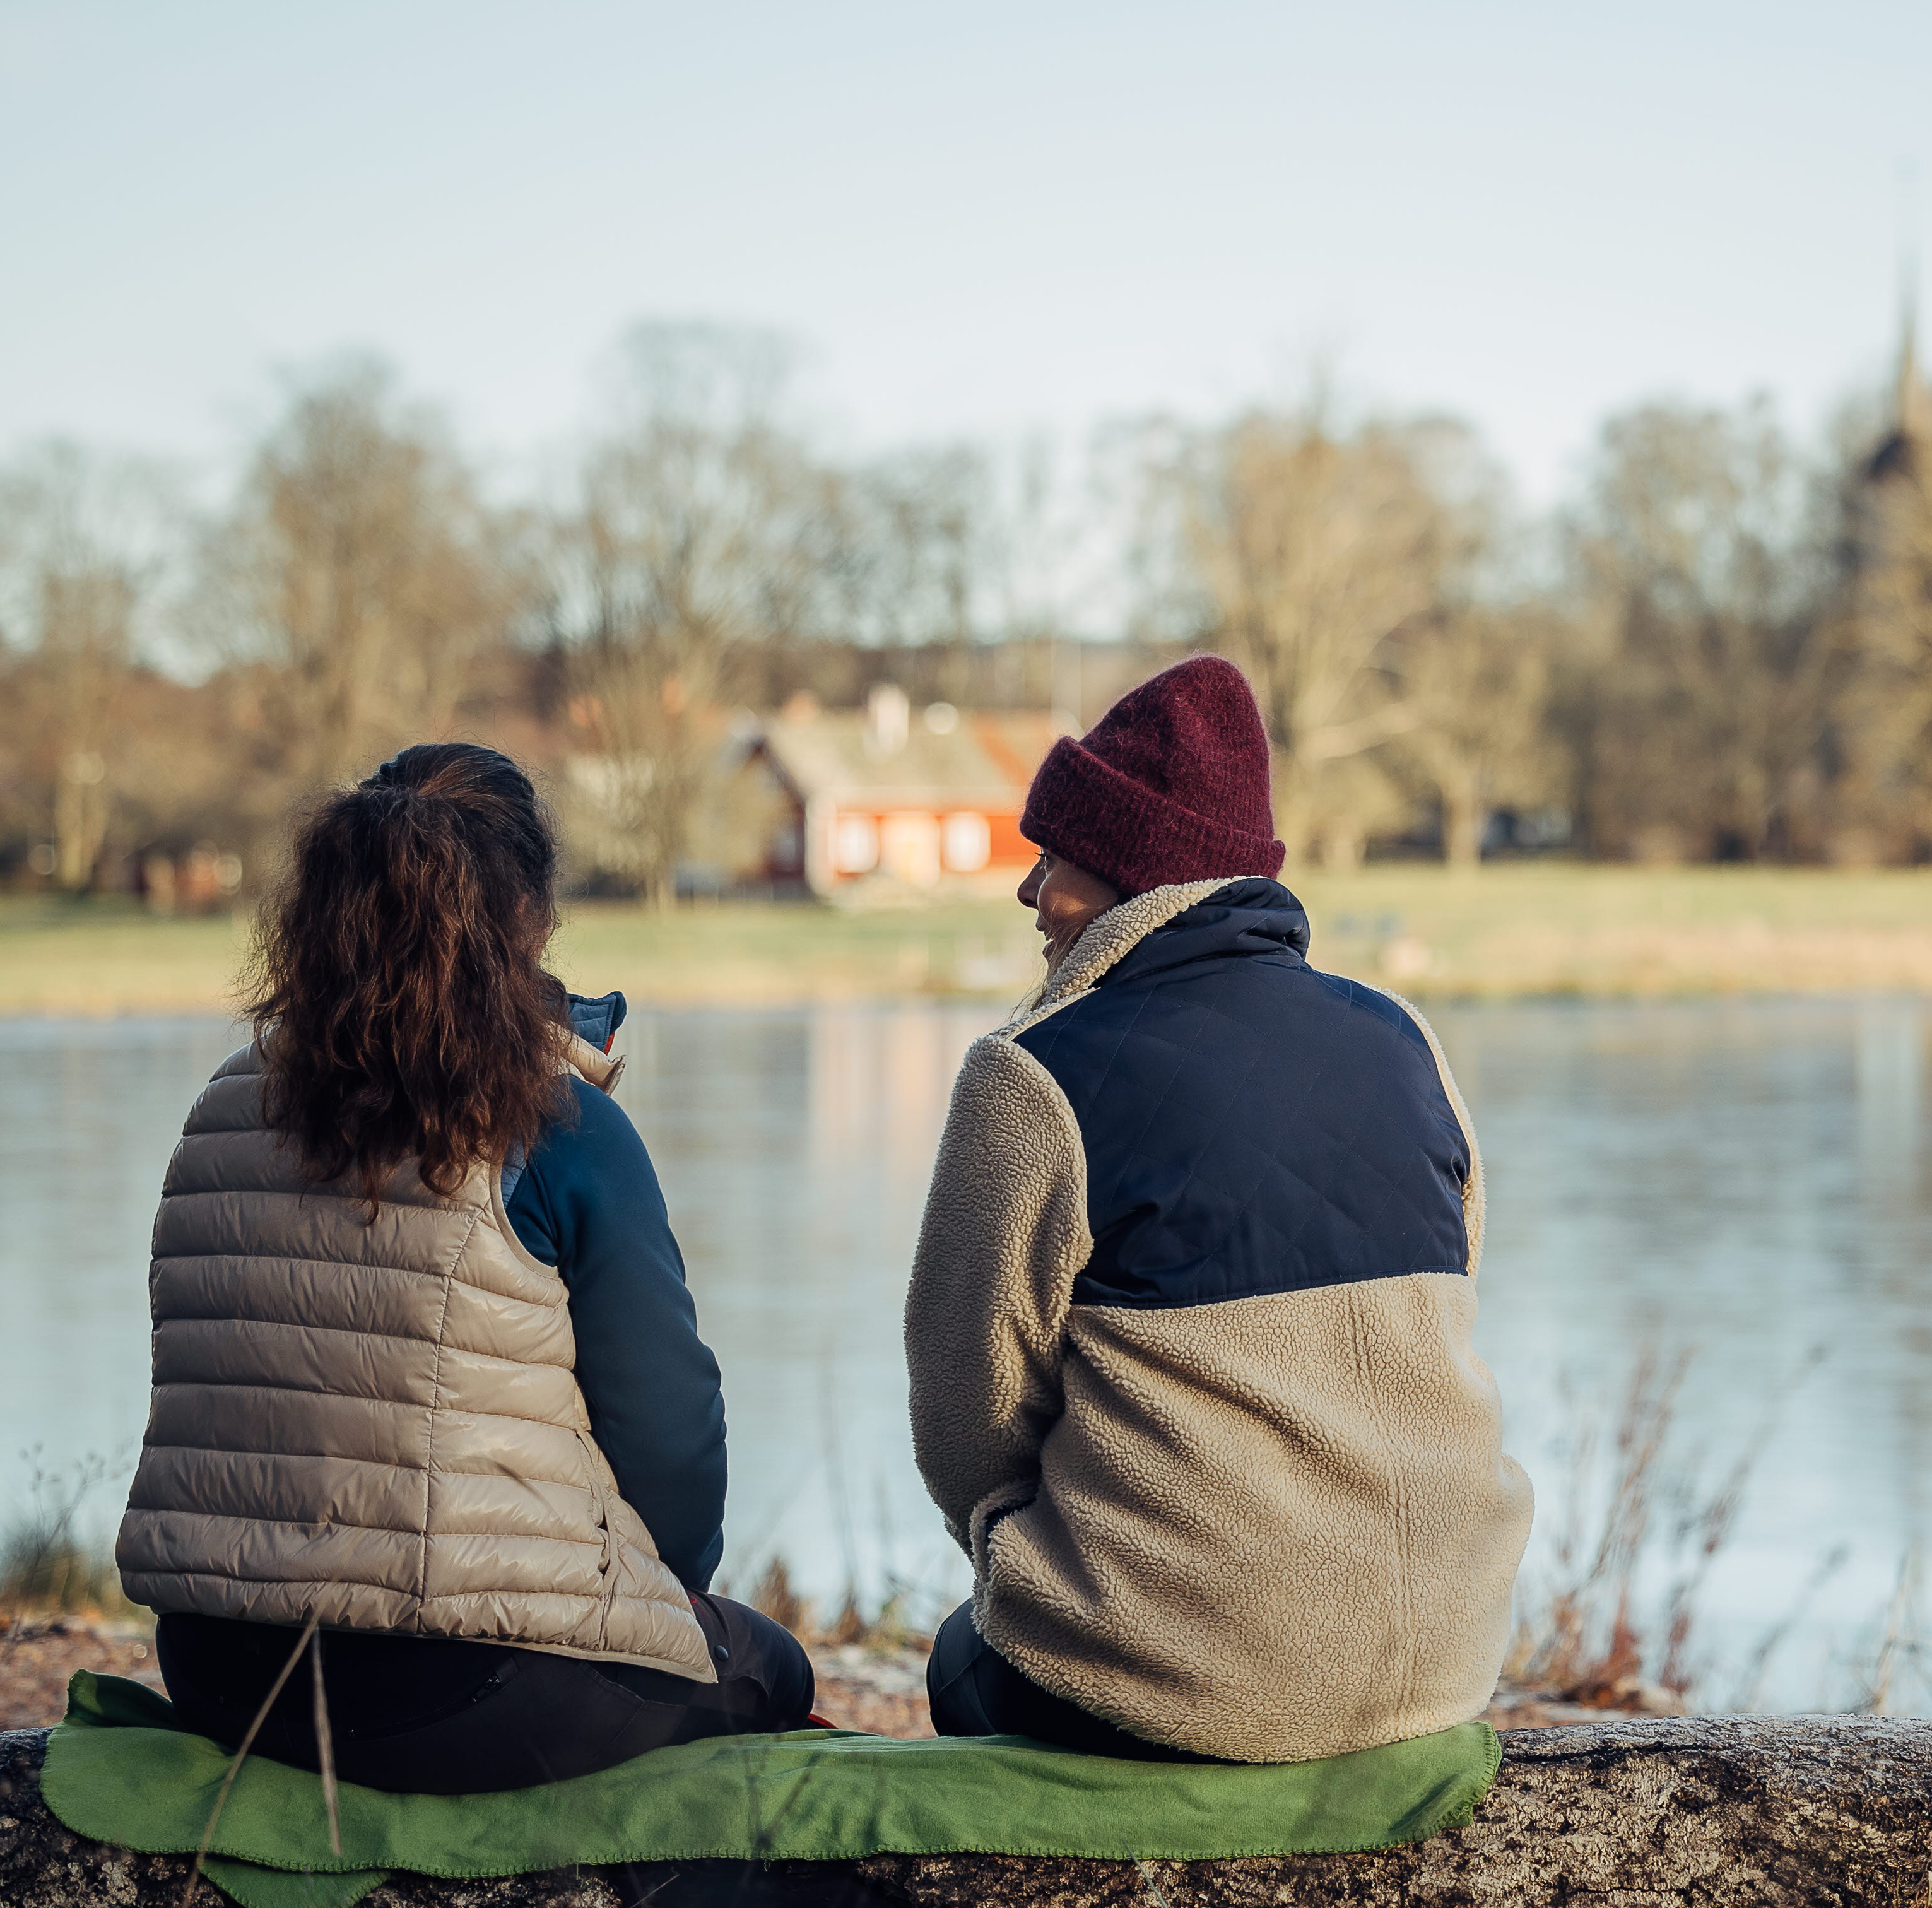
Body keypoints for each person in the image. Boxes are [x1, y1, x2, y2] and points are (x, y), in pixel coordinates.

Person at [117, 743, 813, 1794]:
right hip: (460, 1694)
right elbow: (670, 1441)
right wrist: (666, 1601)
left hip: (219, 1671)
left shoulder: (223, 1104)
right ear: (528, 918)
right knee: (769, 1666)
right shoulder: (558, 1123)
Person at [906, 656, 1532, 1764]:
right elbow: (1454, 1295)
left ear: (1129, 879)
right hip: (1447, 1664)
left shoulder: (1034, 1074)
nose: (1029, 891)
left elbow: (971, 1412)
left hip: (1184, 1680)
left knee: (965, 1659)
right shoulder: (1404, 1040)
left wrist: (1026, 1561)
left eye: (1051, 857)